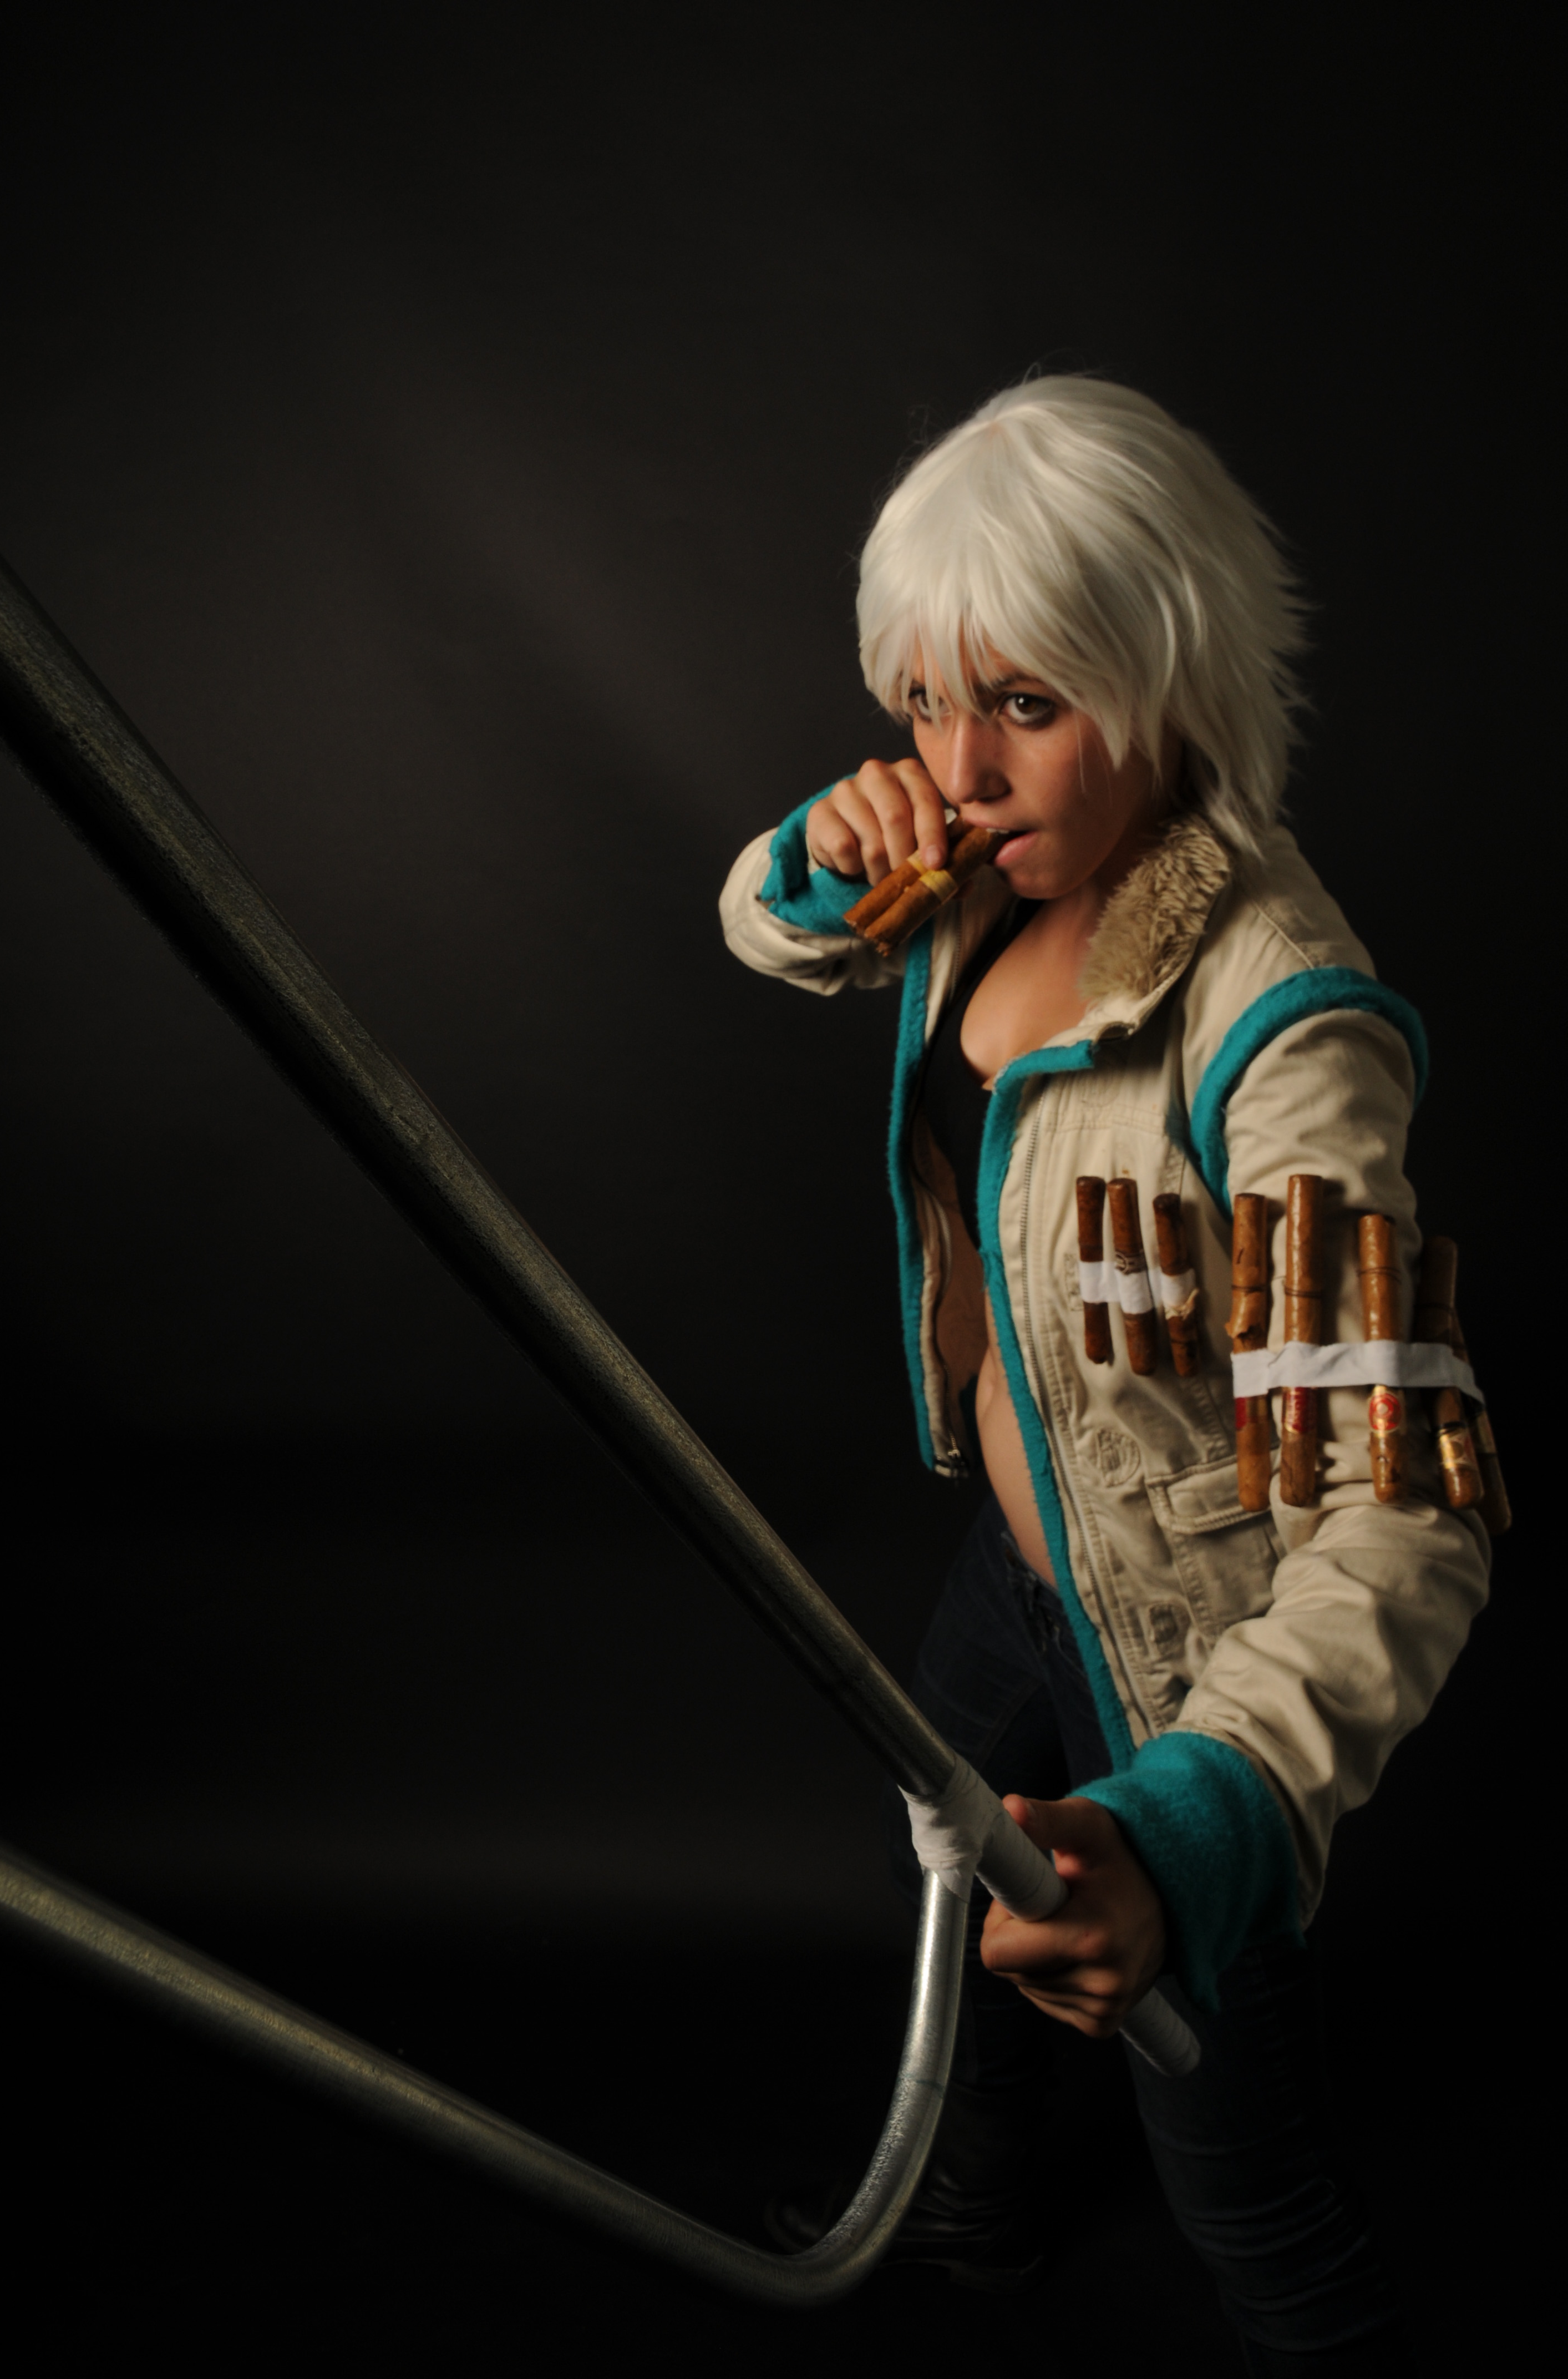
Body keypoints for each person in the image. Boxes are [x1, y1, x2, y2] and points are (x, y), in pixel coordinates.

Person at [719, 377, 1490, 2375]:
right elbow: (769, 930)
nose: (958, 768)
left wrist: (1195, 1825)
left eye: (1027, 704)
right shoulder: (975, 864)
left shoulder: (1288, 1032)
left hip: (1190, 1662)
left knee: (1234, 2164)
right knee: (947, 1907)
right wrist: (819, 850)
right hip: (1016, 1569)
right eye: (922, 705)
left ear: (1172, 682)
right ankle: (974, 2202)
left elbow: (1405, 1509)